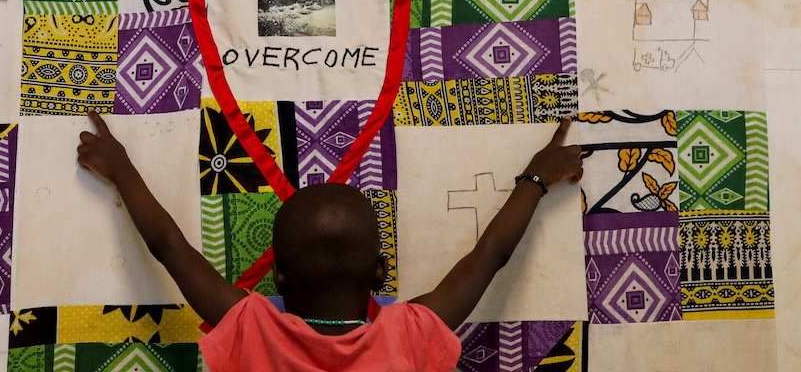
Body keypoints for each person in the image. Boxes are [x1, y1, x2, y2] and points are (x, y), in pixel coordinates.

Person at [76, 112, 583, 371]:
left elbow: (170, 246)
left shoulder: (250, 327)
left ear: (278, 276)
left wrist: (122, 170)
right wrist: (535, 179)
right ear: (380, 274)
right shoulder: (409, 335)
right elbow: (489, 257)